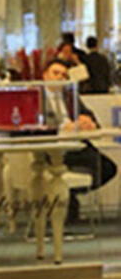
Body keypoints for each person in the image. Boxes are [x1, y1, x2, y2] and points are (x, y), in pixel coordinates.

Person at [42, 58, 117, 220]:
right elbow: (36, 126)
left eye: (64, 75)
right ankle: (66, 200)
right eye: (56, 73)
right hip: (50, 150)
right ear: (45, 75)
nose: (60, 78)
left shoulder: (70, 95)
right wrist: (63, 127)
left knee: (108, 168)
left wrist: (88, 121)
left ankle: (69, 194)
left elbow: (89, 116)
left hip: (76, 147)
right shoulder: (38, 98)